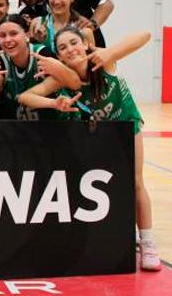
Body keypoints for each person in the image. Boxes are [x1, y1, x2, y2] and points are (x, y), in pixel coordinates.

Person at [18, 27, 162, 271]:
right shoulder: (61, 80)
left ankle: (147, 242)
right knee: (86, 185)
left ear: (85, 44)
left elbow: (144, 35)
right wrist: (54, 102)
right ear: (59, 58)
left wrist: (110, 52)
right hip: (95, 135)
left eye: (74, 42)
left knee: (135, 182)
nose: (70, 49)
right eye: (62, 48)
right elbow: (25, 96)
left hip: (126, 126)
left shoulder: (104, 63)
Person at [0, 14, 80, 120]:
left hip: (56, 122)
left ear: (27, 35)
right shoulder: (1, 59)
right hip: (23, 126)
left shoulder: (42, 54)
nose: (8, 39)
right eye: (2, 36)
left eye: (13, 33)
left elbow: (75, 83)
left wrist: (60, 68)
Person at [30, 0, 95, 53]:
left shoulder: (84, 30)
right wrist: (37, 41)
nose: (57, 1)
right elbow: (32, 58)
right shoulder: (37, 23)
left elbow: (92, 63)